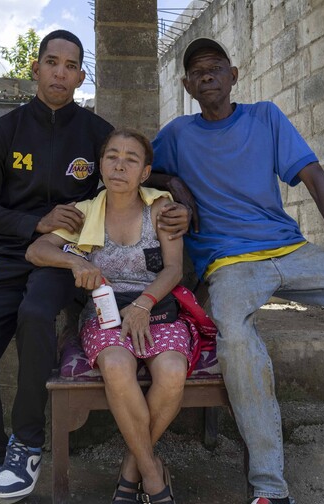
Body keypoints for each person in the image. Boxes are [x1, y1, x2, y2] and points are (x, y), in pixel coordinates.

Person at [150, 38, 324, 504]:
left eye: (216, 68)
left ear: (233, 75)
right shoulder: (177, 135)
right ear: (186, 85)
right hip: (229, 264)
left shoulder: (264, 117)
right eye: (198, 71)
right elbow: (134, 167)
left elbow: (314, 176)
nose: (208, 76)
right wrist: (172, 180)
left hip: (290, 249)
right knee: (237, 339)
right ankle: (269, 487)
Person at [0, 31, 189, 504]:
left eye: (71, 65)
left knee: (37, 315)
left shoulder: (95, 131)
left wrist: (182, 202)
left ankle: (27, 442)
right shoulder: (3, 133)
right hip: (13, 252)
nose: (60, 72)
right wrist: (32, 221)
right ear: (36, 69)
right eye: (52, 63)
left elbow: (138, 168)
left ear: (81, 75)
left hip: (66, 258)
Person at [27, 129, 187, 504]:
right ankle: (152, 475)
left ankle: (133, 468)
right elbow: (36, 250)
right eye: (112, 156)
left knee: (173, 370)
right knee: (115, 363)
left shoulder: (161, 208)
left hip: (156, 308)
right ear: (100, 166)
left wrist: (144, 304)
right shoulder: (84, 214)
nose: (120, 164)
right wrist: (75, 259)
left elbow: (174, 270)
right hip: (106, 312)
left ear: (145, 173)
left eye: (131, 158)